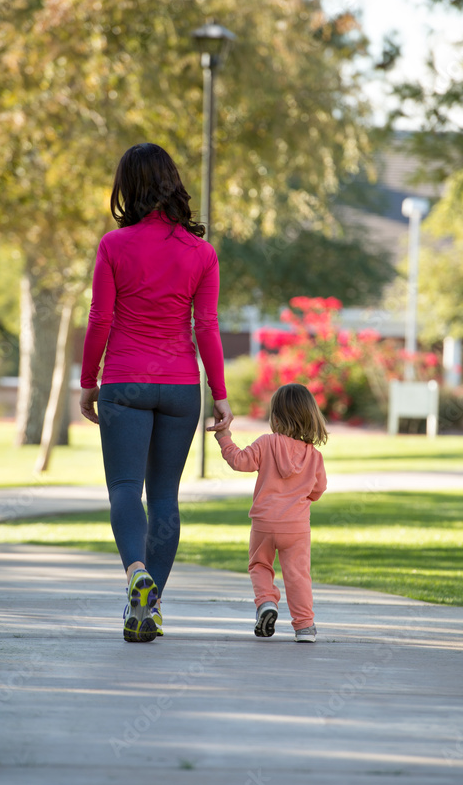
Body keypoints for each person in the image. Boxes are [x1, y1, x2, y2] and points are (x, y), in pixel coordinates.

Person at [79, 143, 233, 643]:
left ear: (127, 187)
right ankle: (148, 610)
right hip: (181, 387)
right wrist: (221, 393)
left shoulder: (114, 245)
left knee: (125, 489)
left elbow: (101, 317)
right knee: (164, 495)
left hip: (125, 382)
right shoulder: (200, 252)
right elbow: (205, 326)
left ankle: (135, 575)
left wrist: (88, 382)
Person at [210, 382, 327, 643]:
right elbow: (318, 490)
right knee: (298, 575)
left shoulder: (266, 443)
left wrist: (224, 438)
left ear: (275, 417)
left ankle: (266, 604)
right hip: (296, 527)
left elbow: (239, 461)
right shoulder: (314, 456)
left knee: (260, 565)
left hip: (264, 523)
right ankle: (304, 627)